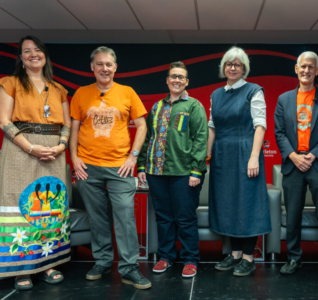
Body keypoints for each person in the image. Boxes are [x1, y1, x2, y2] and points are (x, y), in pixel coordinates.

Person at [69, 46, 150, 289]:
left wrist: (133, 157)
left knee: (125, 215)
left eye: (109, 64)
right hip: (87, 166)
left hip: (120, 167)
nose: (105, 68)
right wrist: (74, 158)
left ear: (115, 67)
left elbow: (142, 126)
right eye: (100, 64)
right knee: (97, 217)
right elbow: (73, 129)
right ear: (92, 67)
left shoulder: (127, 92)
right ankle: (103, 261)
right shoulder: (81, 94)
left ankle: (129, 268)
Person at [0, 36, 71, 290]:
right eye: (26, 51)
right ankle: (22, 268)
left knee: (49, 207)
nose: (33, 54)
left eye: (37, 50)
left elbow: (67, 125)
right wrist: (31, 148)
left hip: (53, 152)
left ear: (45, 55)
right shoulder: (9, 83)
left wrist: (61, 146)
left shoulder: (59, 88)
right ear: (20, 58)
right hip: (21, 150)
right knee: (19, 205)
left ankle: (48, 263)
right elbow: (4, 121)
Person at [274, 51, 318, 280]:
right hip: (293, 165)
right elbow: (279, 132)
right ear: (296, 68)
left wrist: (311, 156)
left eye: (311, 67)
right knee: (292, 214)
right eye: (303, 66)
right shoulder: (284, 99)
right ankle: (293, 257)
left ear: (317, 70)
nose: (306, 70)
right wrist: (293, 156)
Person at [137, 61, 208, 278]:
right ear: (167, 80)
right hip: (156, 173)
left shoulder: (194, 106)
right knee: (163, 217)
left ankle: (190, 259)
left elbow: (200, 139)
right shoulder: (157, 107)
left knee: (185, 218)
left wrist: (197, 171)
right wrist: (141, 165)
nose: (177, 80)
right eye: (173, 76)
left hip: (184, 173)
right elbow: (148, 138)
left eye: (181, 77)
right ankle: (166, 257)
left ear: (187, 82)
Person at [207, 46, 271, 277]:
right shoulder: (216, 94)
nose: (232, 68)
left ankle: (248, 257)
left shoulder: (254, 90)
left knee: (247, 202)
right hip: (222, 154)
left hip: (246, 152)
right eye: (229, 64)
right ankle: (234, 255)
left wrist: (254, 157)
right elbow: (212, 127)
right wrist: (206, 154)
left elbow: (260, 125)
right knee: (228, 203)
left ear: (244, 68)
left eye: (237, 64)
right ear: (224, 67)